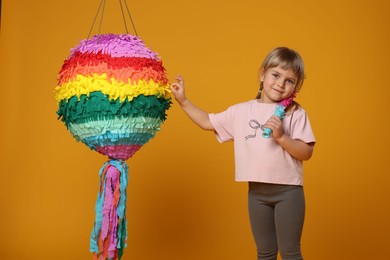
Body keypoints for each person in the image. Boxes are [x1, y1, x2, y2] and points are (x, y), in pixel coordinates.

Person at [170, 47, 315, 260]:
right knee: (264, 253)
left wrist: (282, 137)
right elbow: (208, 122)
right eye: (276, 75)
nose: (280, 84)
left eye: (289, 80)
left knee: (290, 253)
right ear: (262, 74)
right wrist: (183, 100)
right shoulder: (241, 111)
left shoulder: (295, 113)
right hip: (256, 194)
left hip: (288, 193)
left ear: (296, 86)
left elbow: (306, 152)